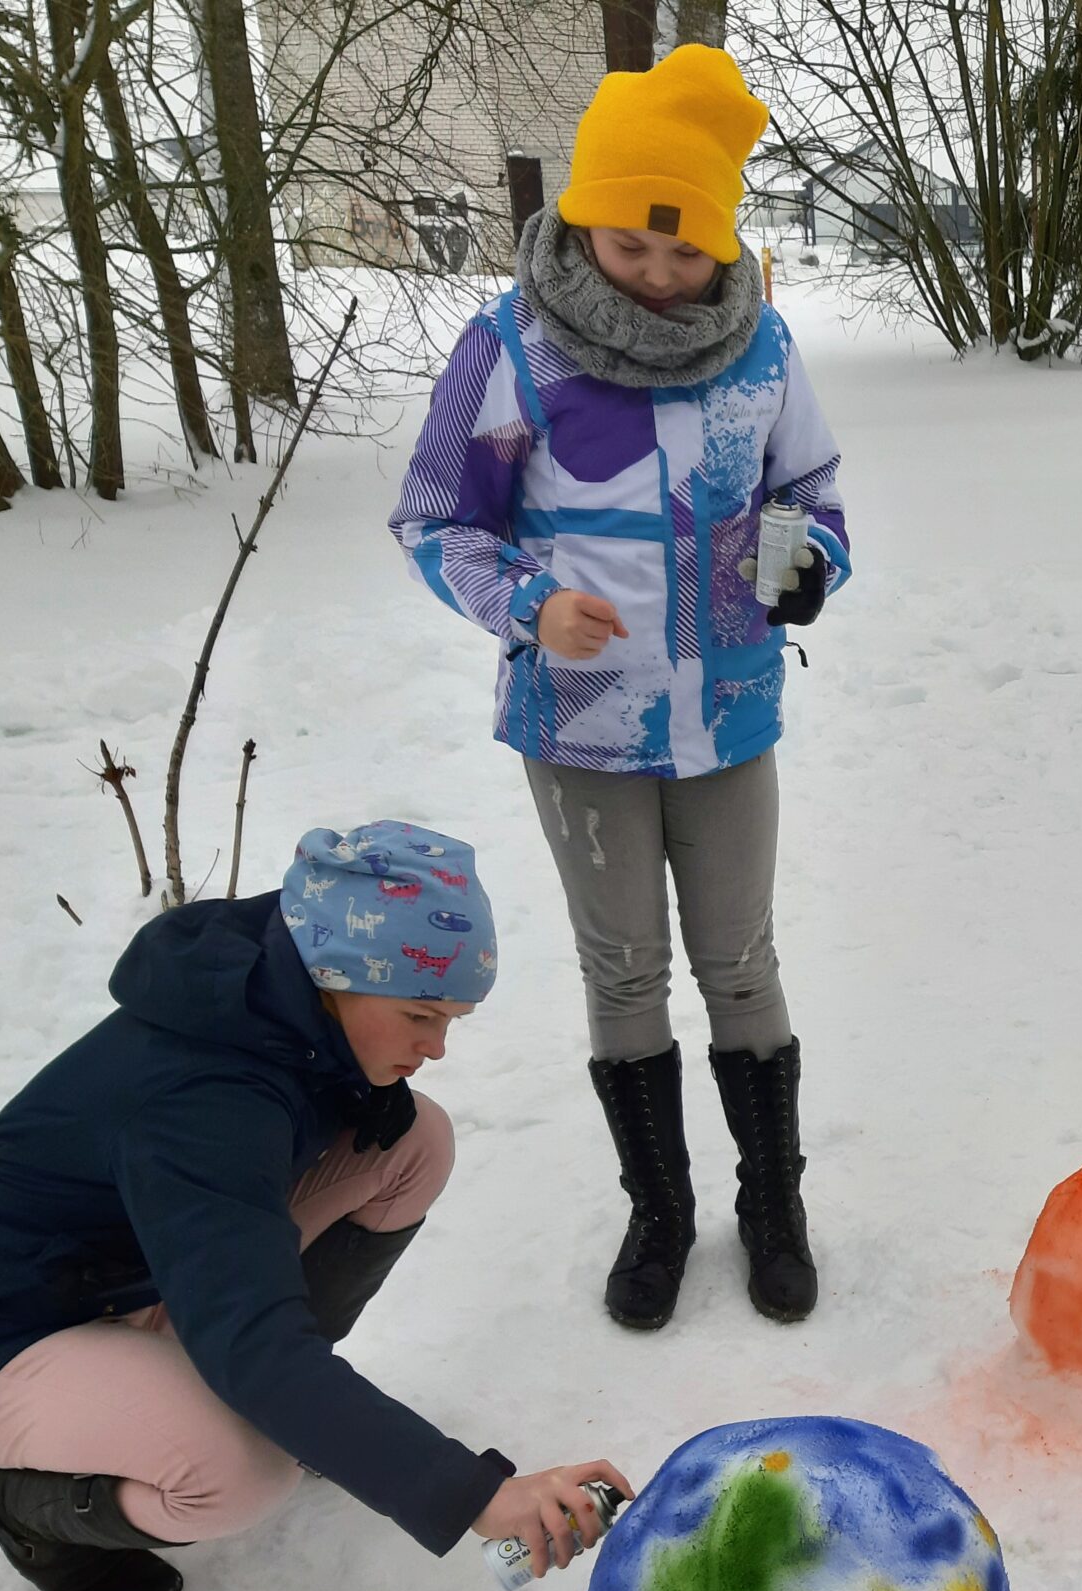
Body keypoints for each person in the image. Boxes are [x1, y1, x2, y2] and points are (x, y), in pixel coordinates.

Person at [391, 46, 849, 1331]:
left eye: (684, 249)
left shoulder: (761, 347)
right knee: (625, 971)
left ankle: (774, 1204)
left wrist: (809, 564)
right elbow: (437, 518)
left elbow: (809, 492)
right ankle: (661, 1211)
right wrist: (526, 604)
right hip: (581, 724)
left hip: (727, 714)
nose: (655, 272)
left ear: (723, 241)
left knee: (741, 962)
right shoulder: (511, 349)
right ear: (581, 219)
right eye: (628, 244)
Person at [0, 824, 631, 1591]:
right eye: (421, 1014)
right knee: (243, 1472)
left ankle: (295, 1407)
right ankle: (19, 1512)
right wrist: (475, 1496)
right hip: (1, 1344)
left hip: (140, 1271)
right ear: (336, 977)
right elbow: (252, 1342)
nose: (437, 1046)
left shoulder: (279, 998)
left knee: (413, 1141)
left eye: (452, 1019)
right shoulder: (205, 1102)